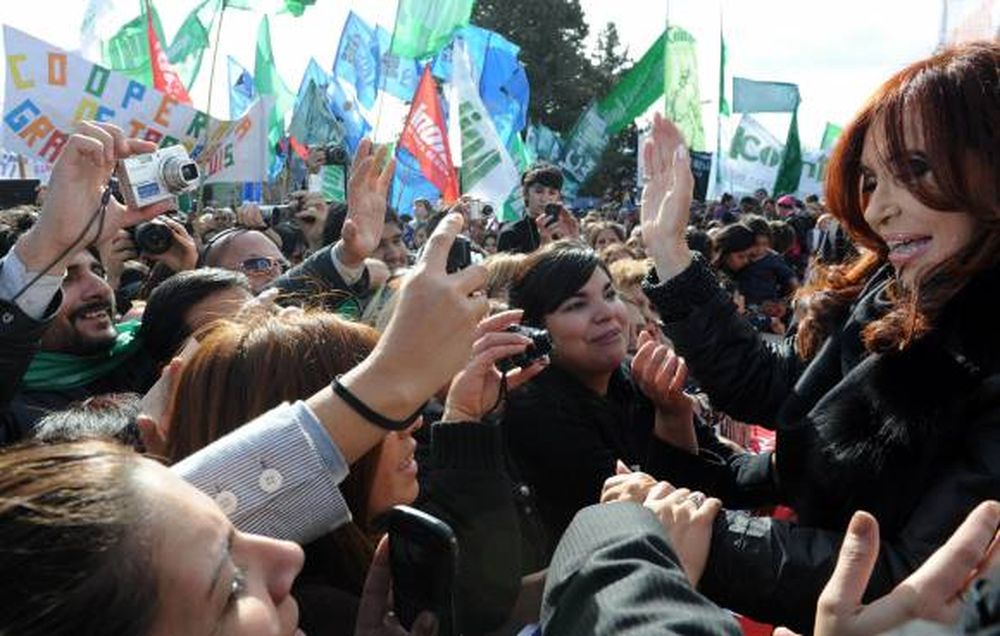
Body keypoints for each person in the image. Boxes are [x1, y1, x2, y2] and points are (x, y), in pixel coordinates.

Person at [635, 40, 999, 631]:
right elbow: (785, 390)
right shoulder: (895, 292)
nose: (879, 209)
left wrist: (708, 540)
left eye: (917, 170)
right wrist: (670, 253)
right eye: (871, 180)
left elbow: (914, 580)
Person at [502, 241, 695, 568]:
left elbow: (718, 479)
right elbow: (660, 518)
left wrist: (677, 412)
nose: (607, 313)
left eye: (608, 294)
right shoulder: (535, 414)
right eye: (577, 305)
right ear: (535, 331)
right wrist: (675, 421)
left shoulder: (631, 377)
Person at [497, 163, 567, 254]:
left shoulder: (564, 232)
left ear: (558, 197)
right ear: (526, 193)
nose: (544, 198)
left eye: (552, 193)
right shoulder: (510, 233)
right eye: (539, 191)